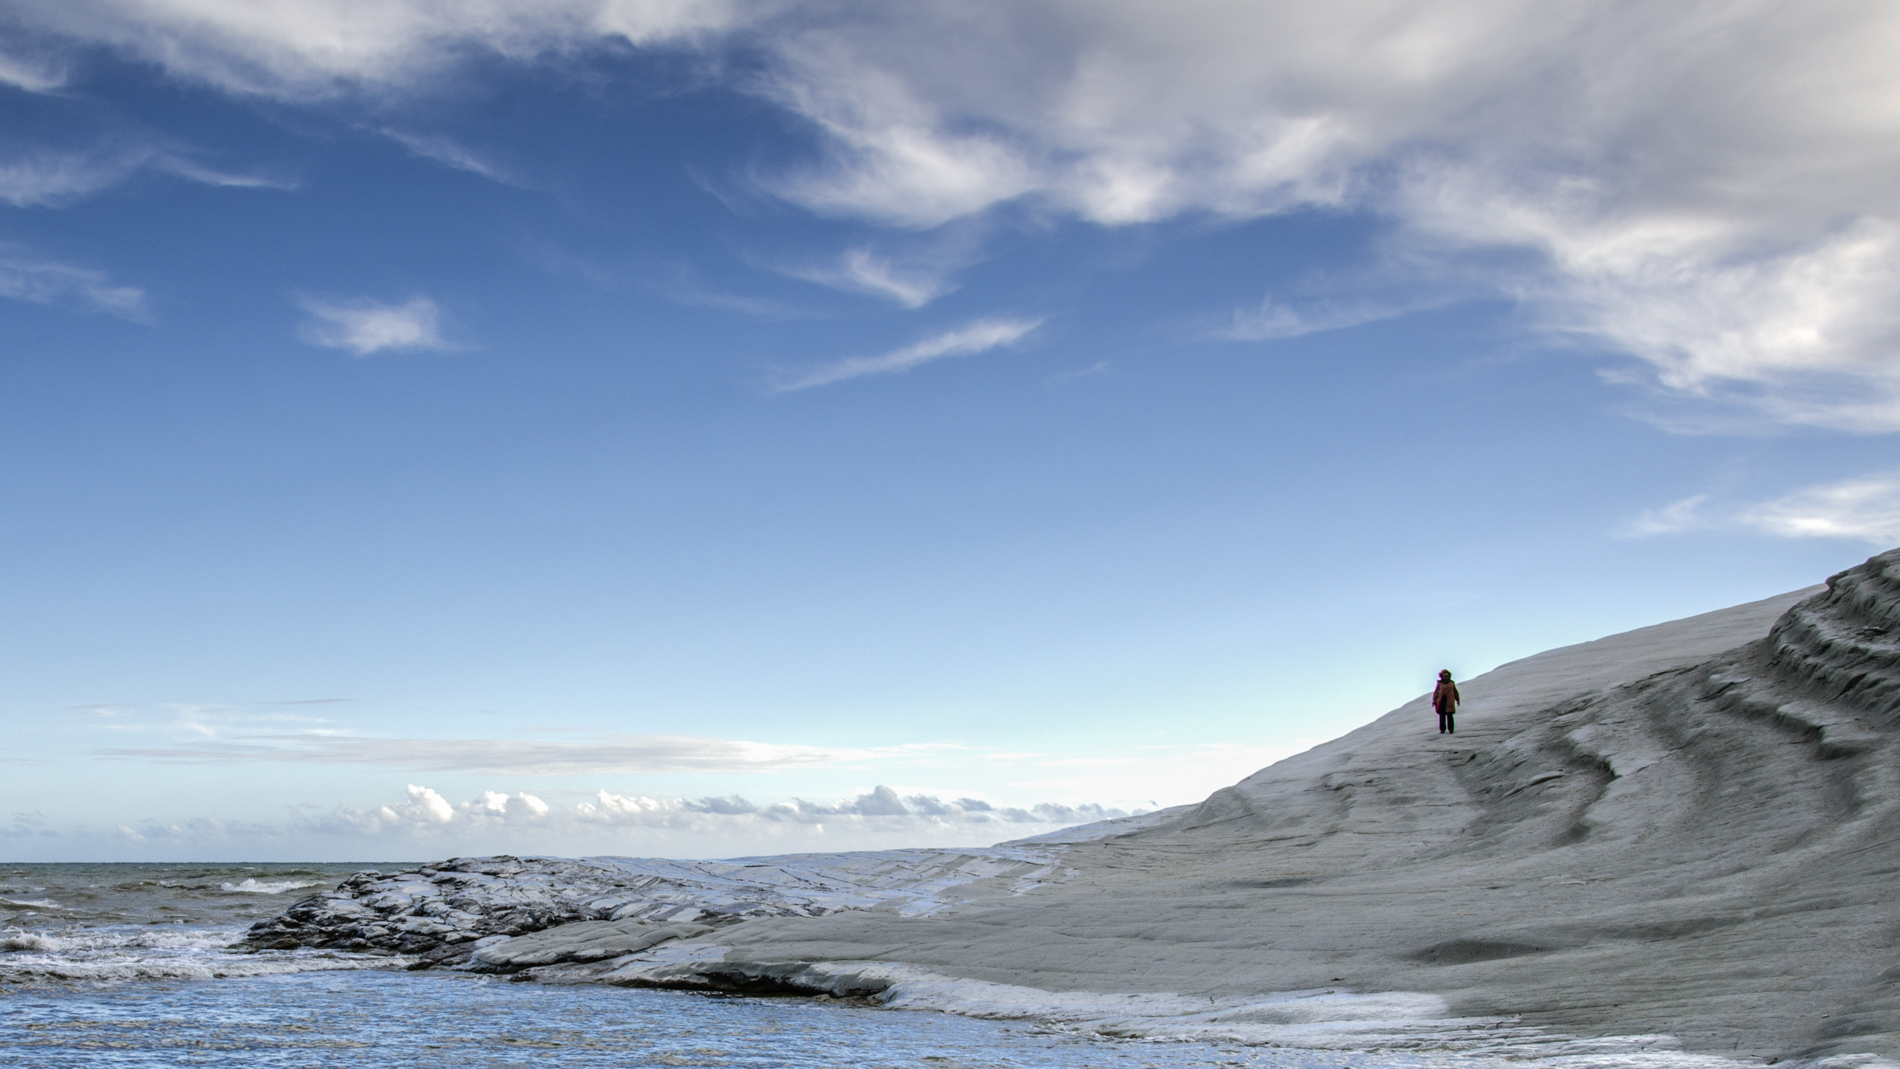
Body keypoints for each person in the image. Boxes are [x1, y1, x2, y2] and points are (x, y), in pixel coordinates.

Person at [1432, 670, 1459, 734]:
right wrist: (1434, 700)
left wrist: (1457, 699)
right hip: (1441, 701)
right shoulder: (1439, 683)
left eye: (1447, 676)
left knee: (1450, 715)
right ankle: (1442, 729)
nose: (1446, 677)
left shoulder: (1452, 683)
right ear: (1442, 676)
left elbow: (1455, 691)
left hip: (1449, 701)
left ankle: (1451, 729)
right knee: (1442, 716)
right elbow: (1436, 692)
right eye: (1444, 676)